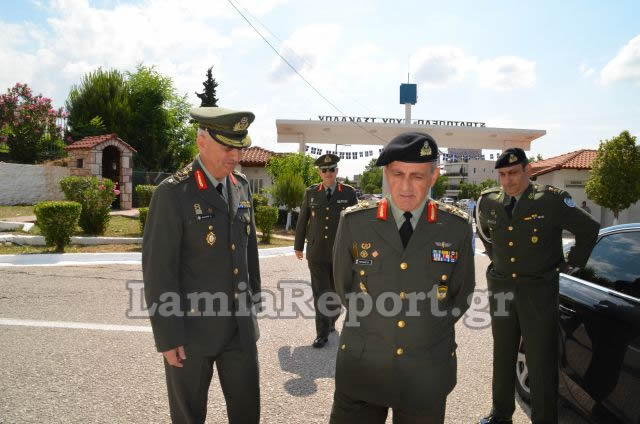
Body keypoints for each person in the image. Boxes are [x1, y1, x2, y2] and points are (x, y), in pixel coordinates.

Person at [330, 132, 476, 424]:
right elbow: (343, 285)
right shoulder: (355, 222)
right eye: (398, 174)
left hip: (426, 372)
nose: (406, 186)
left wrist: (423, 329)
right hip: (363, 367)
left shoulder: (455, 227)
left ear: (433, 176)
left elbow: (461, 294)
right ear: (386, 173)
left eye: (417, 176)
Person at [142, 106, 262, 424]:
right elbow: (158, 271)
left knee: (248, 413)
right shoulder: (173, 193)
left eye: (241, 147)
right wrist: (168, 336)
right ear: (202, 141)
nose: (236, 156)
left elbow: (249, 252)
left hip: (239, 329)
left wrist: (254, 303)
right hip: (192, 334)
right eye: (228, 147)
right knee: (189, 416)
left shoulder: (241, 185)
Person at [476, 148, 600, 424]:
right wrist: (497, 261)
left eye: (514, 173)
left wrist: (569, 264)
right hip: (502, 289)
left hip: (538, 290)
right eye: (502, 174)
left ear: (528, 170)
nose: (508, 180)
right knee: (503, 352)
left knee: (540, 359)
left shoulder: (551, 200)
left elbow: (589, 229)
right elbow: (484, 234)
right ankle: (500, 414)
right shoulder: (489, 201)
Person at [294, 153, 358, 348]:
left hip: (340, 253)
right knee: (321, 292)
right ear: (320, 173)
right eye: (324, 170)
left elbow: (355, 221)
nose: (328, 173)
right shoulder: (311, 192)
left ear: (337, 171)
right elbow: (302, 219)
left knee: (337, 292)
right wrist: (298, 245)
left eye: (331, 170)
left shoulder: (347, 193)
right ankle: (321, 333)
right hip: (317, 252)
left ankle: (331, 318)